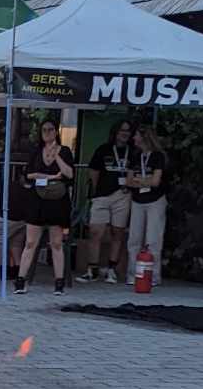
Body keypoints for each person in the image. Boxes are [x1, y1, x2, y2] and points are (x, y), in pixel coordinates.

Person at [14, 118, 74, 295]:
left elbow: (69, 174)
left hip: (57, 200)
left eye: (50, 129)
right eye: (44, 130)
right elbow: (29, 174)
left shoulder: (65, 151)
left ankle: (59, 282)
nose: (47, 133)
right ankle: (20, 280)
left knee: (56, 243)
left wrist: (56, 157)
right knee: (30, 242)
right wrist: (51, 177)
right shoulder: (36, 151)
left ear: (56, 131)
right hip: (37, 199)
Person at [77, 118, 133, 284]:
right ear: (115, 132)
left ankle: (111, 270)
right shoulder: (103, 149)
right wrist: (98, 190)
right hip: (102, 196)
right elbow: (93, 171)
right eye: (122, 130)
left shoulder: (133, 151)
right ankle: (92, 269)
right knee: (95, 232)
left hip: (123, 195)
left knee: (118, 232)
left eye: (127, 131)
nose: (125, 133)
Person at [125, 124, 168, 286]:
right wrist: (144, 181)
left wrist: (139, 180)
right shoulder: (136, 156)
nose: (133, 138)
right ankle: (133, 275)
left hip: (155, 201)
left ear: (144, 137)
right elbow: (129, 181)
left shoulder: (158, 156)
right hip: (137, 200)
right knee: (134, 239)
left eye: (136, 135)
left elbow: (156, 181)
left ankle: (153, 276)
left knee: (153, 239)